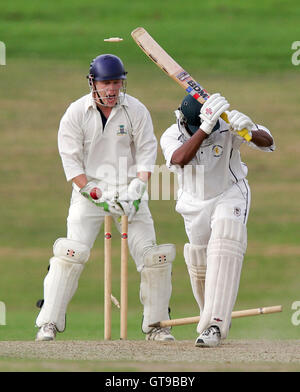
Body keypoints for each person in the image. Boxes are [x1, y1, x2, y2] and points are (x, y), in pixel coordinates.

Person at [35, 54, 176, 342]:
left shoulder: (136, 109)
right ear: (93, 83)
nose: (112, 89)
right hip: (90, 193)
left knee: (155, 257)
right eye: (106, 83)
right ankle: (48, 323)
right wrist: (96, 194)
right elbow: (71, 163)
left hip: (129, 192)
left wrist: (138, 187)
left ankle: (158, 326)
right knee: (70, 253)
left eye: (117, 82)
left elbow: (148, 151)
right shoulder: (75, 113)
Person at [160, 93, 275, 347]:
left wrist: (248, 130)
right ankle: (209, 315)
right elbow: (178, 160)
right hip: (193, 203)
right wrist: (204, 128)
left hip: (229, 192)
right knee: (200, 261)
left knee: (225, 241)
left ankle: (215, 324)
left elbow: (268, 143)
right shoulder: (171, 134)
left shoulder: (225, 125)